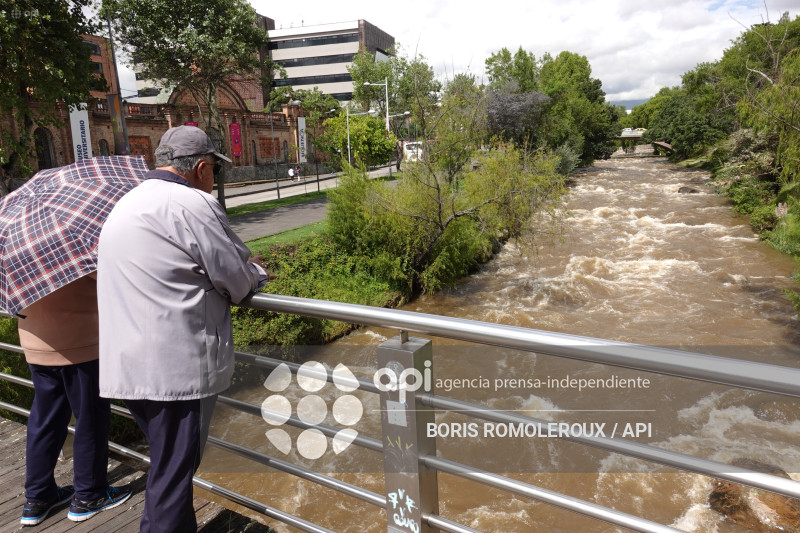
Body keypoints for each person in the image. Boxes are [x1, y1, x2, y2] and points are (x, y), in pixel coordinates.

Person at [96, 126, 269, 533]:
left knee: (167, 467)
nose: (215, 182)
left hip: (130, 365)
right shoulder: (193, 203)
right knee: (174, 476)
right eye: (216, 173)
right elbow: (236, 281)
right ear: (202, 168)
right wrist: (256, 272)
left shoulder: (129, 201)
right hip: (176, 372)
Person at [17, 275, 132, 526]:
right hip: (79, 343)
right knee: (90, 417)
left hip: (35, 341)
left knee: (44, 420)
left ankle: (37, 498)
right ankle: (90, 495)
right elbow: (111, 278)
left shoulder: (16, 243)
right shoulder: (72, 242)